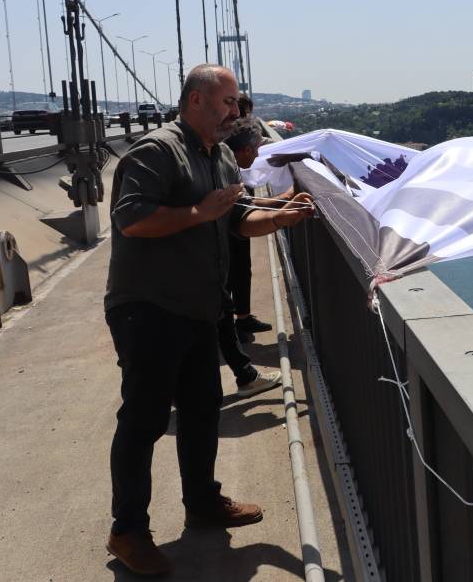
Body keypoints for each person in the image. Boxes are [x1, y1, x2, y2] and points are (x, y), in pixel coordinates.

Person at [104, 64, 313, 576]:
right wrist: (199, 212)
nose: (235, 112)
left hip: (197, 310)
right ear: (195, 100)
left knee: (201, 412)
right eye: (226, 102)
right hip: (148, 308)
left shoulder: (218, 154)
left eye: (235, 102)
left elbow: (236, 217)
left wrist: (282, 216)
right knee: (144, 420)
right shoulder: (156, 151)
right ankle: (127, 532)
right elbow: (131, 220)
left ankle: (202, 502)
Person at [218, 120, 310, 398]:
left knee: (221, 312)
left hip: (205, 263)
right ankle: (244, 376)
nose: (261, 154)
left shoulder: (221, 160)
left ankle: (245, 375)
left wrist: (283, 201)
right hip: (200, 263)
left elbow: (244, 204)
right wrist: (281, 216)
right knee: (217, 312)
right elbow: (241, 216)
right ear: (246, 150)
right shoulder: (222, 165)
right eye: (258, 148)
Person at [227, 93, 274, 340]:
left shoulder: (243, 133)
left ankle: (240, 318)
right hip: (232, 210)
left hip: (241, 200)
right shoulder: (224, 144)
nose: (239, 116)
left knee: (241, 266)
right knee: (230, 268)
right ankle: (228, 325)